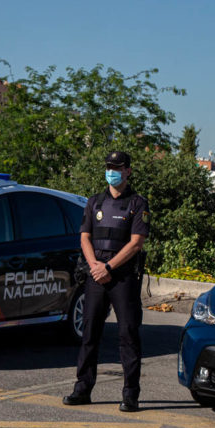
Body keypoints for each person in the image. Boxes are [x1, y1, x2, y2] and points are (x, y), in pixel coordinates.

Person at [63, 151, 150, 412]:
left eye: (117, 167)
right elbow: (84, 238)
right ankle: (82, 388)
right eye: (109, 166)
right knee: (89, 334)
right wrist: (95, 267)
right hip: (96, 275)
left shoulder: (137, 203)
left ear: (128, 171)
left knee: (128, 335)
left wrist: (110, 266)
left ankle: (130, 394)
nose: (111, 170)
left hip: (122, 277)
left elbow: (136, 243)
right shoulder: (95, 202)